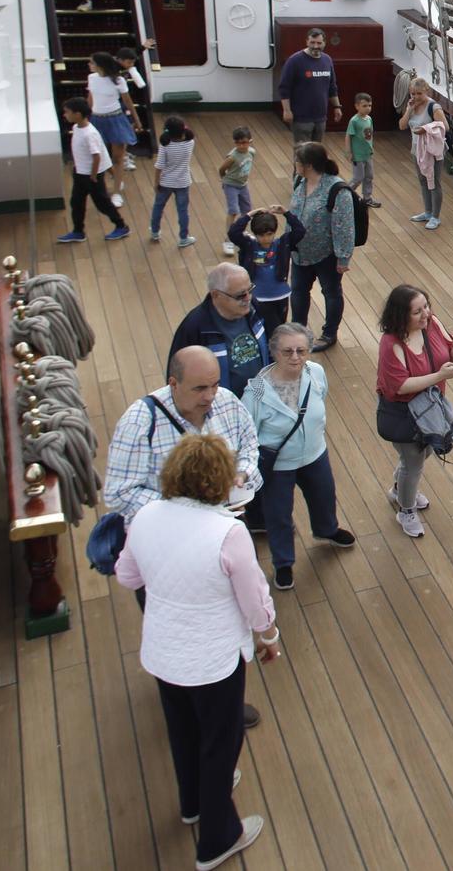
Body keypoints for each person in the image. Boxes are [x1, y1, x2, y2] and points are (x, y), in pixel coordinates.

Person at [113, 433, 275, 867]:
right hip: (213, 660)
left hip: (163, 653)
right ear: (220, 480)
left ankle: (193, 804)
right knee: (221, 742)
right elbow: (255, 600)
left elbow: (127, 577)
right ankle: (218, 838)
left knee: (183, 731)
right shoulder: (229, 532)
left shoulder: (145, 516)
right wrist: (268, 635)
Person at [242, 323, 355, 590]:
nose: (295, 357)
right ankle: (283, 563)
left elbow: (321, 399)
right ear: (273, 352)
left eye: (302, 351)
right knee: (278, 515)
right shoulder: (256, 391)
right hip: (278, 465)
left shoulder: (315, 373)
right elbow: (248, 433)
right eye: (287, 351)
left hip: (315, 454)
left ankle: (327, 529)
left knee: (324, 496)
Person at [374, 285, 453, 538]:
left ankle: (400, 487)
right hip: (405, 413)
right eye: (417, 311)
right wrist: (439, 375)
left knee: (423, 453)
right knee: (413, 463)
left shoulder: (432, 323)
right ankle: (405, 510)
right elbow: (400, 386)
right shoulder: (391, 344)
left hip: (430, 408)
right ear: (400, 315)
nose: (425, 314)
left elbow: (450, 343)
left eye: (426, 306)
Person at [287, 143, 355, 353]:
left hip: (327, 255)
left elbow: (344, 226)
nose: (295, 164)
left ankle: (329, 334)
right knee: (298, 291)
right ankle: (298, 332)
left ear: (308, 165)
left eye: (297, 161)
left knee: (331, 292)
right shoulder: (300, 180)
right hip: (300, 253)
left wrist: (343, 258)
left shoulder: (337, 190)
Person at [169, 263, 270, 398]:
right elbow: (178, 376)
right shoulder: (194, 327)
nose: (248, 298)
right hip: (222, 408)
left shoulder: (255, 308)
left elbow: (273, 345)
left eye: (250, 289)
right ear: (216, 295)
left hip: (261, 399)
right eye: (240, 295)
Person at [58, 96, 130, 243]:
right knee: (76, 202)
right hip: (80, 173)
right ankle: (78, 231)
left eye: (67, 112)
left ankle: (121, 226)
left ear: (77, 114)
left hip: (90, 176)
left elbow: (97, 156)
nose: (65, 115)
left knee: (102, 203)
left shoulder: (90, 133)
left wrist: (93, 175)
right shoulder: (77, 128)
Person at [229, 209, 302, 334]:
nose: (265, 238)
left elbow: (300, 231)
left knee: (279, 327)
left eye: (269, 234)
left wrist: (286, 213)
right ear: (255, 234)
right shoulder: (249, 245)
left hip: (281, 295)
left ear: (274, 232)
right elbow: (233, 233)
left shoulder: (282, 243)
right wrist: (250, 214)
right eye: (261, 235)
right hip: (258, 298)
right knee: (271, 331)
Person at [87, 51, 142, 202]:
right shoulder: (91, 78)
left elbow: (128, 101)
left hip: (116, 119)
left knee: (117, 158)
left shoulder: (118, 80)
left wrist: (137, 120)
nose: (89, 65)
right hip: (97, 120)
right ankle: (114, 175)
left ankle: (116, 193)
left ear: (100, 65)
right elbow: (90, 99)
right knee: (99, 154)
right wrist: (85, 120)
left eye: (92, 62)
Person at [277, 28, 340, 146]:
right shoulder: (294, 61)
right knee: (303, 153)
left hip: (321, 117)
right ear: (306, 42)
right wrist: (286, 110)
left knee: (316, 152)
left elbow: (332, 86)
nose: (316, 46)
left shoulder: (327, 60)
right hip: (301, 118)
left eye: (319, 43)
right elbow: (284, 88)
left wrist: (337, 106)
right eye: (312, 42)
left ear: (324, 43)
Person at [401, 78, 449, 229]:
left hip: (432, 150)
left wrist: (426, 129)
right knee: (422, 180)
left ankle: (436, 216)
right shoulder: (412, 105)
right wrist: (409, 109)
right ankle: (428, 211)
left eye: (419, 93)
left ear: (426, 91)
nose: (415, 97)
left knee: (434, 182)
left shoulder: (434, 107)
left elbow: (445, 127)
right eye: (413, 93)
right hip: (417, 149)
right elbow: (402, 125)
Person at [150, 114, 197, 247]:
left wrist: (156, 182)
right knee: (183, 211)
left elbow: (159, 166)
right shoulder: (190, 143)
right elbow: (188, 132)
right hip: (183, 182)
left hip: (165, 182)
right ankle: (183, 238)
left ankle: (154, 231)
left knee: (158, 207)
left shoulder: (165, 145)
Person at [218, 127, 256, 257]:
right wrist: (225, 180)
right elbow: (222, 169)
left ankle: (239, 231)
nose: (241, 145)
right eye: (238, 143)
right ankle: (229, 239)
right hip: (231, 185)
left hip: (243, 185)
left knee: (247, 211)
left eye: (244, 142)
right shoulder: (232, 157)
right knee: (233, 210)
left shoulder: (251, 152)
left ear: (250, 141)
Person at [346, 92, 379, 210]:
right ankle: (345, 195)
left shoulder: (369, 119)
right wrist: (349, 152)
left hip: (367, 154)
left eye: (369, 105)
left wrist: (371, 148)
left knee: (369, 176)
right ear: (357, 106)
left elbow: (369, 135)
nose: (368, 108)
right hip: (358, 155)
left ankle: (367, 198)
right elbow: (348, 136)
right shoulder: (354, 121)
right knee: (358, 177)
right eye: (364, 106)